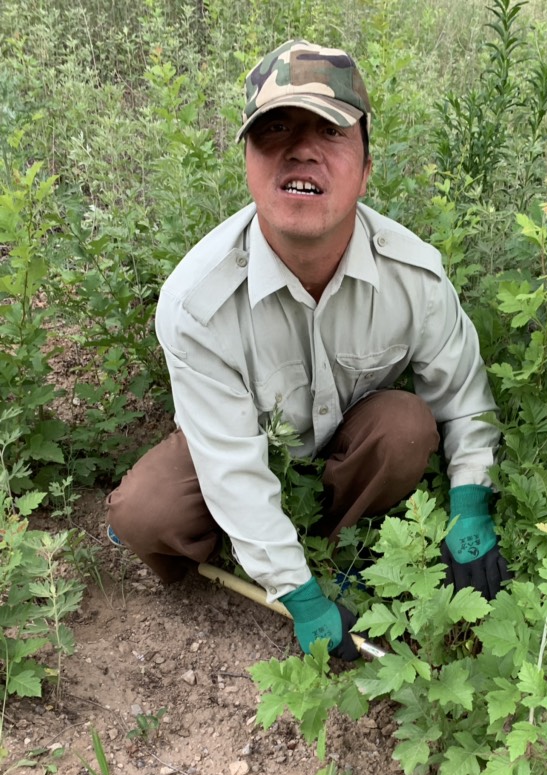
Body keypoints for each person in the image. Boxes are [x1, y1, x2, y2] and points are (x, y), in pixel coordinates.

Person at [107, 38, 509, 660]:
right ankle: (259, 556)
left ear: (367, 167)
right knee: (145, 510)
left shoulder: (415, 277)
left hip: (345, 445)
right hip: (244, 450)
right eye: (275, 129)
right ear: (246, 162)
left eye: (331, 130)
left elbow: (463, 397)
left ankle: (331, 543)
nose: (301, 148)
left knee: (408, 426)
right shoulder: (196, 302)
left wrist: (471, 501)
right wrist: (297, 594)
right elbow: (234, 472)